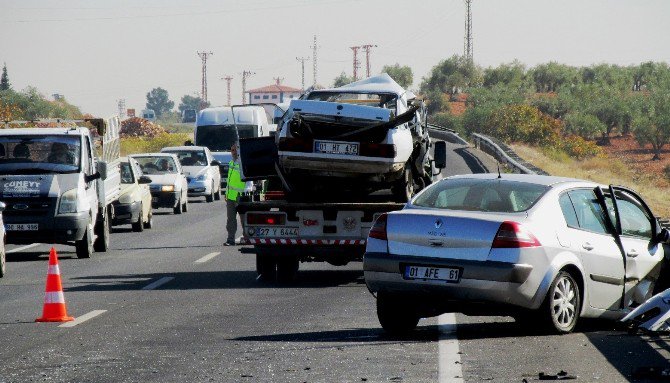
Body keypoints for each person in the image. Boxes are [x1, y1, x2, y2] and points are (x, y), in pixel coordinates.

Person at [224, 143, 246, 246]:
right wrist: (226, 194)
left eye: (235, 150)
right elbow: (229, 181)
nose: (233, 152)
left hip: (240, 196)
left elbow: (247, 182)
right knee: (231, 219)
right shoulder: (231, 163)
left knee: (243, 218)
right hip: (231, 196)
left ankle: (247, 237)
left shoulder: (242, 163)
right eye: (232, 150)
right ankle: (230, 239)